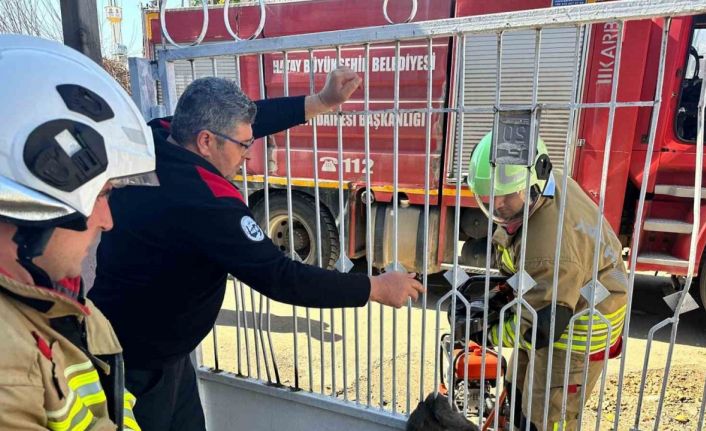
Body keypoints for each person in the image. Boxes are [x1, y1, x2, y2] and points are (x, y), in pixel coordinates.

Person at [88, 73, 424, 430]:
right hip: (135, 364)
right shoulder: (206, 203)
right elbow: (282, 277)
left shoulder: (158, 137)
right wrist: (374, 287)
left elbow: (248, 121)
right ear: (206, 141)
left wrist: (321, 101)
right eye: (244, 146)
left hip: (158, 349)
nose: (248, 157)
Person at [0, 35, 158, 430]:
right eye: (101, 195)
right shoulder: (8, 364)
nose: (107, 220)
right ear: (29, 203)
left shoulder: (62, 304)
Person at [465, 131, 628, 430]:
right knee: (517, 389)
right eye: (491, 196)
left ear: (533, 184)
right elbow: (520, 253)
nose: (498, 204)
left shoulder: (550, 250)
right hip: (559, 303)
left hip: (576, 330)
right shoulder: (547, 188)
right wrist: (502, 292)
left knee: (546, 414)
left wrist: (485, 335)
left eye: (506, 196)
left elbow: (537, 328)